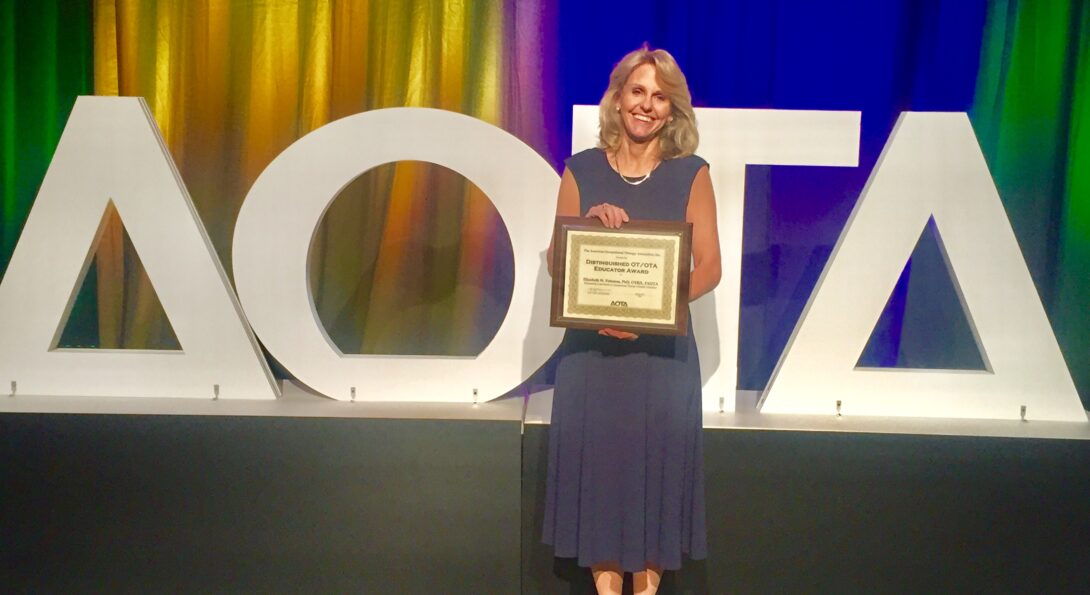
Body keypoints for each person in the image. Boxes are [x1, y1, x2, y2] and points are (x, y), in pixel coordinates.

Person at [543, 45, 721, 595]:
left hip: (660, 363)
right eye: (637, 92)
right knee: (599, 482)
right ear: (618, 98)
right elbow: (557, 260)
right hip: (592, 361)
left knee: (654, 488)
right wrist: (589, 228)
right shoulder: (581, 169)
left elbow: (709, 267)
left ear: (673, 111)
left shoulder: (692, 173)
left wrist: (650, 317)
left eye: (660, 97)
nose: (646, 105)